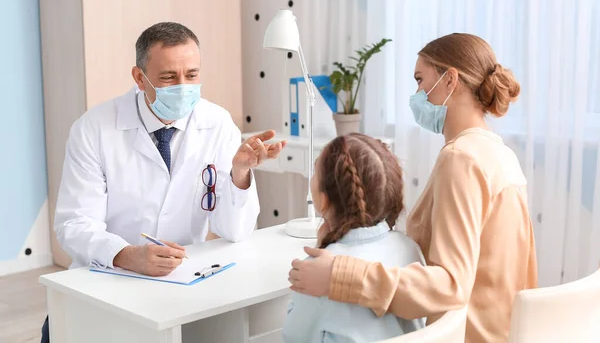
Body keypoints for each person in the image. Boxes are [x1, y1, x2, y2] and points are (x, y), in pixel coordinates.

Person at [41, 22, 285, 342]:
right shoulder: (94, 129)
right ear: (140, 78)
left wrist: (239, 174)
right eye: (169, 77)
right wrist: (127, 255)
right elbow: (73, 224)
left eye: (192, 75)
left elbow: (235, 231)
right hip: (107, 279)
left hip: (183, 285)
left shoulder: (217, 123)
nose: (183, 86)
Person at [288, 33, 538, 343]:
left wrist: (339, 276)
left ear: (450, 80)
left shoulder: (461, 159)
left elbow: (451, 284)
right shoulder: (501, 154)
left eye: (420, 80)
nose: (417, 93)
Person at [283, 134, 425, 343]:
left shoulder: (318, 271)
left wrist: (327, 246)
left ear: (324, 201)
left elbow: (293, 337)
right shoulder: (409, 248)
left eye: (315, 172)